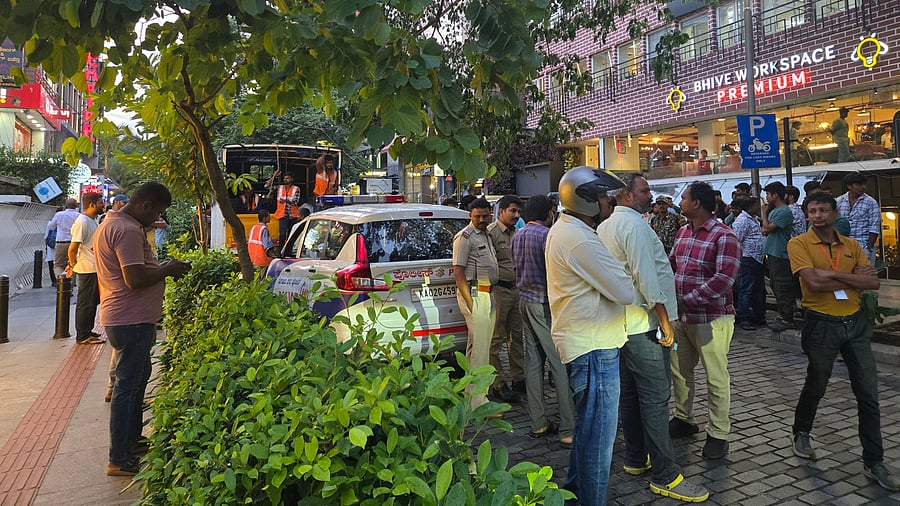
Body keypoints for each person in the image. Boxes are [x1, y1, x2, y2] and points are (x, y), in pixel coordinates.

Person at [596, 173, 709, 502]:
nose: (650, 195)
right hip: (643, 324)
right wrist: (664, 322)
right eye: (644, 190)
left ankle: (636, 457)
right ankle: (665, 475)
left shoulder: (607, 226)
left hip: (621, 325)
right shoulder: (634, 226)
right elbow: (646, 278)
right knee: (656, 399)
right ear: (627, 195)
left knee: (632, 396)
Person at [787, 192, 900, 491]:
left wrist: (831, 275)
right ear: (807, 215)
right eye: (813, 211)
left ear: (835, 213)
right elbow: (813, 283)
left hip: (855, 323)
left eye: (823, 210)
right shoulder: (798, 244)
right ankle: (801, 431)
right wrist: (850, 276)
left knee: (868, 394)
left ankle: (874, 460)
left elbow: (873, 282)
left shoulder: (851, 245)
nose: (818, 216)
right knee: (817, 383)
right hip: (821, 324)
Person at [546, 166, 634, 506]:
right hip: (595, 349)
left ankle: (573, 497)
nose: (607, 201)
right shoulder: (579, 238)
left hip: (586, 344)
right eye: (601, 196)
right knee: (598, 445)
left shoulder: (568, 229)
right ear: (585, 200)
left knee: (587, 435)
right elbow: (625, 290)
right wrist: (621, 271)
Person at [95, 182, 192, 476]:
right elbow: (134, 279)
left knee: (135, 383)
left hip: (130, 319)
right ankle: (119, 458)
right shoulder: (126, 230)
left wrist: (162, 267)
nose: (157, 219)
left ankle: (132, 441)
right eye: (157, 212)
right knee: (127, 388)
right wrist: (168, 269)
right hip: (130, 320)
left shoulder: (114, 223)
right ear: (146, 205)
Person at [668, 181, 741, 461]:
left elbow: (724, 279)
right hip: (681, 319)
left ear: (696, 203)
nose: (680, 202)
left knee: (716, 377)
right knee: (680, 371)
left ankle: (718, 433)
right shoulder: (683, 231)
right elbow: (672, 265)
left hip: (712, 319)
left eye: (684, 198)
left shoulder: (724, 236)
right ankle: (683, 418)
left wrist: (687, 299)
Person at [509, 194, 575, 447]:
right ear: (549, 213)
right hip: (544, 303)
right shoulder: (547, 236)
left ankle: (538, 422)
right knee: (558, 362)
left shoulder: (518, 236)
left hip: (524, 300)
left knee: (534, 362)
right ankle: (568, 427)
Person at [452, 198, 499, 411]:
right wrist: (470, 302)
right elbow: (458, 271)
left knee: (479, 347)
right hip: (475, 292)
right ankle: (478, 403)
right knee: (480, 351)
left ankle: (471, 395)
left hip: (487, 292)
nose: (481, 219)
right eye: (476, 216)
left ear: (490, 214)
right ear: (470, 216)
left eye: (484, 216)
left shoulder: (486, 234)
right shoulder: (464, 237)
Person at [486, 195, 524, 403]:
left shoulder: (517, 233)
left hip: (516, 290)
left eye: (518, 212)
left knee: (516, 337)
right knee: (496, 339)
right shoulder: (491, 233)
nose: (516, 215)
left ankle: (519, 378)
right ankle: (497, 383)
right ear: (501, 211)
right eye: (513, 211)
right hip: (499, 291)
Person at [66, 193, 106, 344]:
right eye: (101, 202)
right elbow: (72, 248)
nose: (103, 205)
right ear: (92, 204)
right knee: (86, 302)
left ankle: (87, 331)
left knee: (92, 302)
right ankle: (82, 335)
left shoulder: (91, 220)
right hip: (87, 268)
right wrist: (72, 264)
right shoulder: (82, 222)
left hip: (94, 267)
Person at [761, 182, 797, 332]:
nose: (767, 197)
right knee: (775, 285)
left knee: (782, 285)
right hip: (772, 252)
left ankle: (788, 317)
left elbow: (767, 228)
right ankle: (783, 314)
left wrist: (764, 214)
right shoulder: (775, 211)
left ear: (775, 195)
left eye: (768, 194)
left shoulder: (784, 212)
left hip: (780, 253)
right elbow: (765, 230)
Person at [731, 197, 766, 331]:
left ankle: (758, 316)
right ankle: (744, 318)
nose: (758, 208)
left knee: (758, 288)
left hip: (757, 258)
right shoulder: (742, 220)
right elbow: (737, 239)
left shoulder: (753, 219)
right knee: (746, 289)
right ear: (751, 206)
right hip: (748, 258)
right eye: (757, 205)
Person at [836, 172, 881, 265]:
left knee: (864, 273)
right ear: (849, 186)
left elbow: (874, 228)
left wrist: (868, 249)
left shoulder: (871, 202)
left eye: (864, 184)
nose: (863, 187)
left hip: (863, 246)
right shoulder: (839, 201)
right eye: (858, 184)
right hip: (843, 246)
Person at [47, 198, 81, 278]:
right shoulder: (79, 216)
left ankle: (61, 281)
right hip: (74, 243)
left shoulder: (59, 215)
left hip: (61, 243)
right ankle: (70, 283)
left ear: (65, 205)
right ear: (76, 206)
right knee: (73, 264)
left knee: (58, 265)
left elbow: (51, 227)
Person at [270, 171, 301, 246]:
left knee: (291, 235)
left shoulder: (296, 189)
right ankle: (281, 250)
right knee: (282, 234)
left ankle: (289, 250)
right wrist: (274, 176)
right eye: (284, 178)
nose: (285, 180)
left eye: (287, 178)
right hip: (282, 215)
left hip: (293, 215)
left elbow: (295, 202)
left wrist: (286, 201)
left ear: (292, 179)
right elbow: (267, 186)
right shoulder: (280, 188)